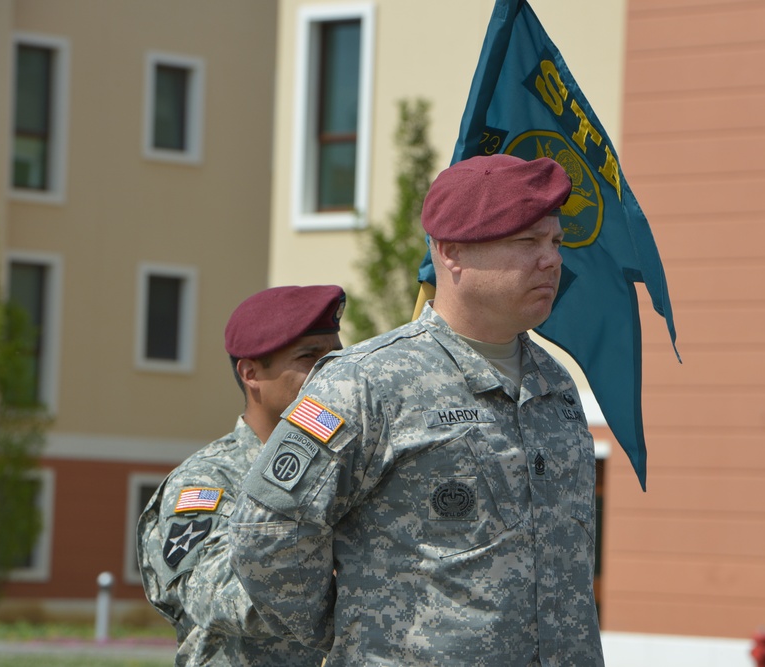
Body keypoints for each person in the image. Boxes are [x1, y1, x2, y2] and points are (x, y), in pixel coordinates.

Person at [229, 154, 604, 666]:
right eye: (527, 242)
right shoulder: (366, 382)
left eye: (555, 243)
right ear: (451, 252)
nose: (552, 260)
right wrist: (354, 636)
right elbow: (268, 535)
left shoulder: (555, 384)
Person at [137, 284, 345, 666]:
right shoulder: (206, 482)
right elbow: (215, 594)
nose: (331, 371)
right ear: (251, 373)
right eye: (309, 357)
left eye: (336, 355)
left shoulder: (349, 468)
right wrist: (348, 574)